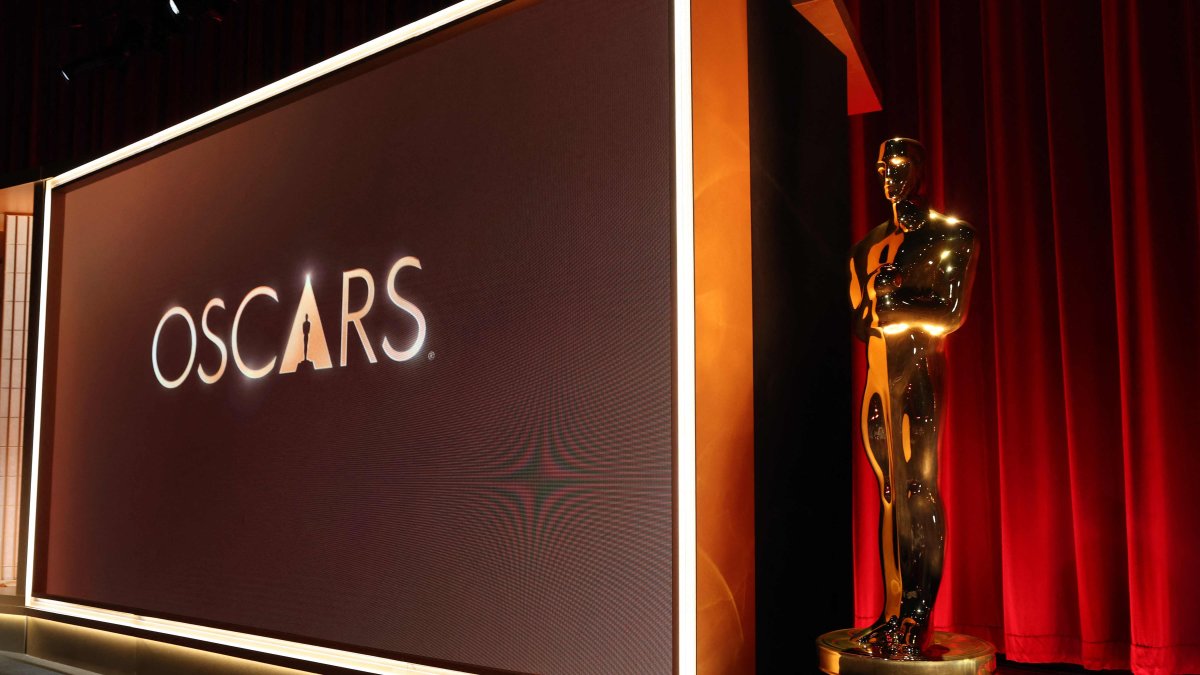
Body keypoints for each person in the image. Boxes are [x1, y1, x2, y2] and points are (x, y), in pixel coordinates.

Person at [848, 137, 978, 659]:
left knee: (918, 486)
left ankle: (916, 619)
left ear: (920, 169)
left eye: (899, 164)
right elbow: (860, 321)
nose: (889, 174)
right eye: (883, 166)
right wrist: (884, 301)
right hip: (878, 376)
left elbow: (950, 313)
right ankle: (891, 613)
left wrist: (897, 299)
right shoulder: (866, 246)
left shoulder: (952, 236)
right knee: (888, 491)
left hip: (918, 369)